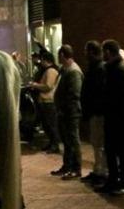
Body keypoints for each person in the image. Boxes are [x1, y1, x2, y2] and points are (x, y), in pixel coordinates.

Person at [96, 39, 124, 196]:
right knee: (111, 150)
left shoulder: (120, 69)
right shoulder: (111, 68)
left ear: (108, 52)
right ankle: (112, 180)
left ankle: (123, 183)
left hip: (119, 117)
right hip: (112, 115)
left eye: (103, 51)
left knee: (120, 151)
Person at [52, 45, 83, 179]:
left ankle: (76, 168)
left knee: (73, 140)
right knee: (66, 140)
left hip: (71, 112)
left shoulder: (73, 71)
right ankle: (67, 165)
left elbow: (74, 94)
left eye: (59, 55)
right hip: (64, 111)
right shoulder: (64, 70)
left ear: (63, 55)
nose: (58, 58)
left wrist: (64, 109)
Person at [80, 40, 108, 185]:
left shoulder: (99, 68)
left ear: (92, 52)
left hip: (98, 112)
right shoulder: (95, 67)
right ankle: (98, 170)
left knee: (100, 144)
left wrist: (93, 108)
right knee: (96, 143)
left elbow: (97, 91)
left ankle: (102, 172)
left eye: (86, 51)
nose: (85, 54)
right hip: (94, 111)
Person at [29, 51, 61, 153]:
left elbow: (48, 86)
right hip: (45, 101)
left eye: (41, 59)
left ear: (45, 60)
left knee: (51, 124)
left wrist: (35, 85)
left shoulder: (51, 71)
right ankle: (51, 143)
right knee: (47, 124)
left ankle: (54, 145)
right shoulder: (49, 70)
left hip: (48, 101)